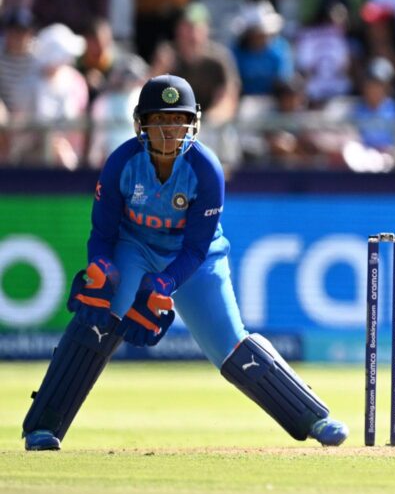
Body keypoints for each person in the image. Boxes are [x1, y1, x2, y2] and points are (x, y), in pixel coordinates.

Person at [21, 75, 348, 451]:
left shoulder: (206, 169)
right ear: (141, 124)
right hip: (135, 246)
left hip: (196, 260)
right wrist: (101, 268)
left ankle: (313, 418)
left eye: (177, 120)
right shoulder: (122, 163)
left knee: (230, 343)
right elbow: (102, 234)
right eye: (159, 120)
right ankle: (42, 427)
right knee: (97, 319)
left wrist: (163, 284)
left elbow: (195, 248)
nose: (168, 130)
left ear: (192, 123)